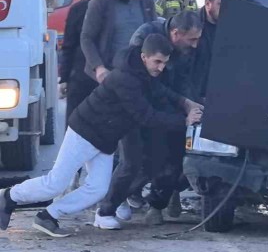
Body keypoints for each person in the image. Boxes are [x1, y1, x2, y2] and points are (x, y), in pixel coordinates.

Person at [0, 35, 202, 237]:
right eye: (157, 62)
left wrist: (186, 103)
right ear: (143, 57)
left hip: (105, 138)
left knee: (97, 189)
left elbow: (162, 91)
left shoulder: (143, 73)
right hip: (85, 132)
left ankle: (48, 216)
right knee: (54, 183)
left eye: (164, 63)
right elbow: (146, 117)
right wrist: (184, 120)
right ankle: (8, 197)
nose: (161, 68)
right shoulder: (126, 78)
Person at [94, 11, 203, 228]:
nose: (195, 44)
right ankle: (108, 206)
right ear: (176, 33)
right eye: (192, 39)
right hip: (136, 111)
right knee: (135, 163)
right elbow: (144, 83)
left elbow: (181, 81)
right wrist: (181, 110)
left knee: (167, 162)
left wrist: (189, 104)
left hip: (164, 110)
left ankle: (152, 202)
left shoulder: (184, 49)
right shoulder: (145, 37)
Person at [81, 0, 157, 85]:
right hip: (109, 74)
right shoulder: (100, 2)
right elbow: (86, 38)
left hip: (140, 73)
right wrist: (98, 67)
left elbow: (154, 31)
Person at [59, 0, 102, 125]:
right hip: (79, 77)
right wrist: (64, 78)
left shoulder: (109, 7)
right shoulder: (77, 10)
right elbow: (68, 45)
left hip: (104, 77)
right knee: (74, 126)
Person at [192, 0, 232, 102]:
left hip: (222, 96)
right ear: (207, 3)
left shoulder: (233, 26)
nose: (227, 9)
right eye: (221, 4)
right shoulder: (193, 26)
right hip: (196, 96)